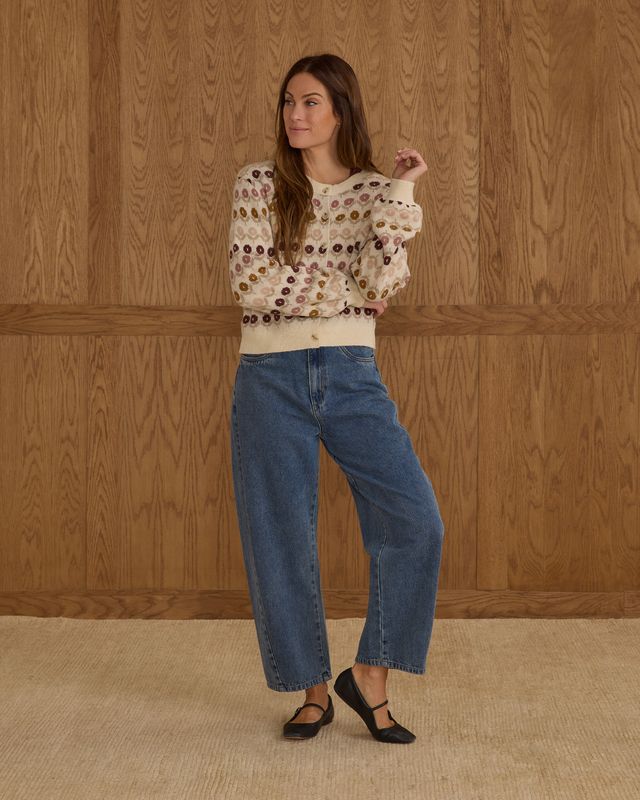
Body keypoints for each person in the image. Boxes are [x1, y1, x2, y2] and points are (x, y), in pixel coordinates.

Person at [228, 54, 445, 744]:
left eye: (311, 102)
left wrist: (402, 193)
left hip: (351, 373)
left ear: (341, 110)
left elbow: (384, 282)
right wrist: (348, 290)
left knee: (415, 520)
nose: (295, 114)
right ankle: (312, 692)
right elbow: (252, 284)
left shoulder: (378, 191)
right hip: (270, 376)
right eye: (289, 101)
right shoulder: (259, 184)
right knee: (279, 535)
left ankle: (369, 675)